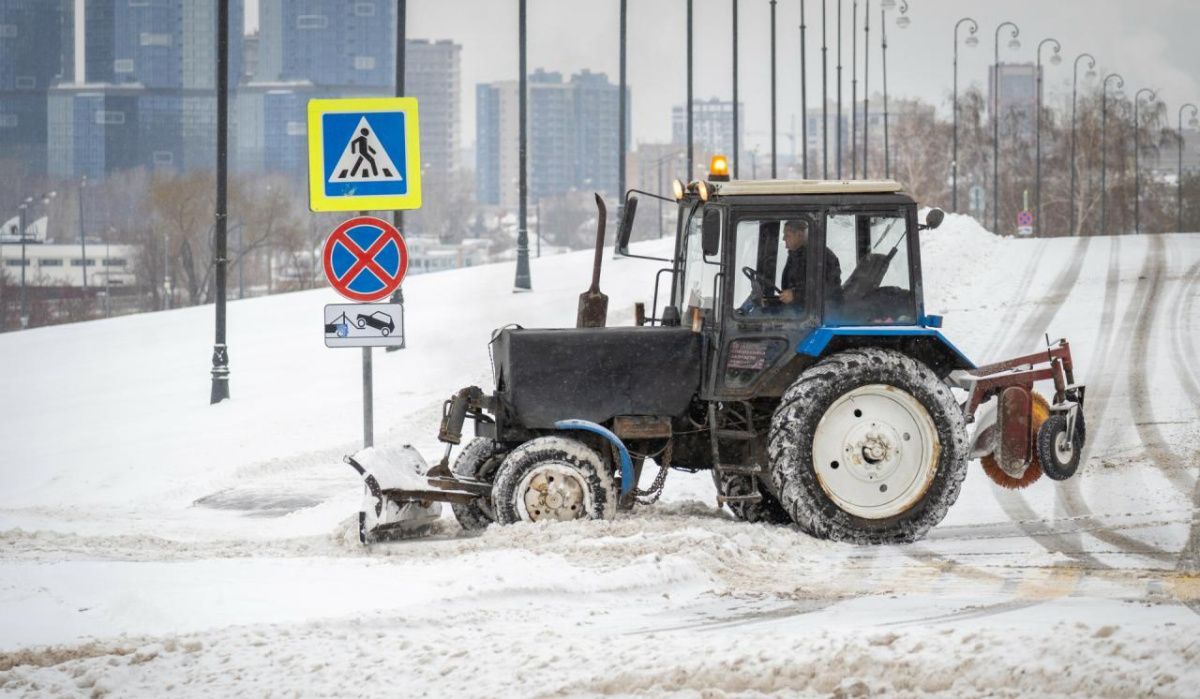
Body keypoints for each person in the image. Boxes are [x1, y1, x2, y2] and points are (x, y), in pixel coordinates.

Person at [778, 219, 843, 307]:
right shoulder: (796, 255)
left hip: (821, 314)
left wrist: (795, 295)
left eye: (787, 235)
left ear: (799, 235)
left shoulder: (821, 256)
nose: (783, 238)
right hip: (799, 311)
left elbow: (828, 289)